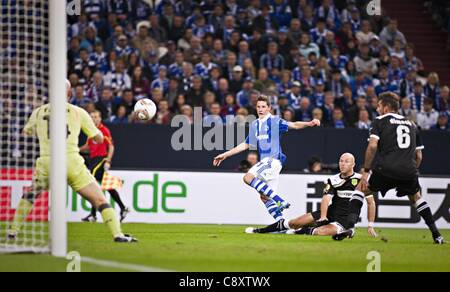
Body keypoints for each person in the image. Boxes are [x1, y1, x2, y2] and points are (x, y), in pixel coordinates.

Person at [7, 80, 136, 243]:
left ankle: (12, 232)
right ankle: (117, 234)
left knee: (30, 195)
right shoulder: (78, 112)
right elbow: (97, 138)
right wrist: (98, 136)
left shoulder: (38, 112)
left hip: (47, 162)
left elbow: (26, 132)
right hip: (71, 162)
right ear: (69, 94)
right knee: (100, 199)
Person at [334, 92, 444, 244]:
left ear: (386, 107)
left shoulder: (380, 121)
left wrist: (365, 171)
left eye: (379, 106)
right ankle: (437, 235)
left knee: (360, 190)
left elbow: (372, 146)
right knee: (416, 198)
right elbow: (419, 156)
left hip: (386, 168)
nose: (377, 109)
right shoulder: (412, 124)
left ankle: (350, 227)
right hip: (409, 170)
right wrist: (410, 173)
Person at [213, 95, 320, 222]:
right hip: (269, 163)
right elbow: (246, 144)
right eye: (258, 107)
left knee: (247, 177)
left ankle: (279, 200)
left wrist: (309, 123)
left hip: (273, 160)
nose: (260, 109)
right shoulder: (255, 124)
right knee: (264, 197)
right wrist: (226, 154)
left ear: (269, 108)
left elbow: (294, 125)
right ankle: (280, 223)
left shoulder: (275, 121)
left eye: (263, 106)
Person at [245, 153, 377, 237]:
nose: (342, 164)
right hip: (329, 213)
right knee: (295, 222)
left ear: (353, 164)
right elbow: (326, 198)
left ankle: (301, 232)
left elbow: (371, 202)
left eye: (346, 161)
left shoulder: (361, 180)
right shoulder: (333, 179)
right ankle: (260, 231)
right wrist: (324, 216)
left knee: (320, 232)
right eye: (341, 161)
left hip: (344, 219)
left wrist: (370, 224)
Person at [80, 110, 129, 223]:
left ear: (100, 118)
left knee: (92, 183)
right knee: (106, 185)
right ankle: (123, 208)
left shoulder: (103, 130)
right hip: (93, 160)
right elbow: (88, 146)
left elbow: (111, 146)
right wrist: (76, 149)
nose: (93, 119)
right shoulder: (91, 131)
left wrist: (108, 160)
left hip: (100, 159)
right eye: (92, 117)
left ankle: (93, 214)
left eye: (96, 117)